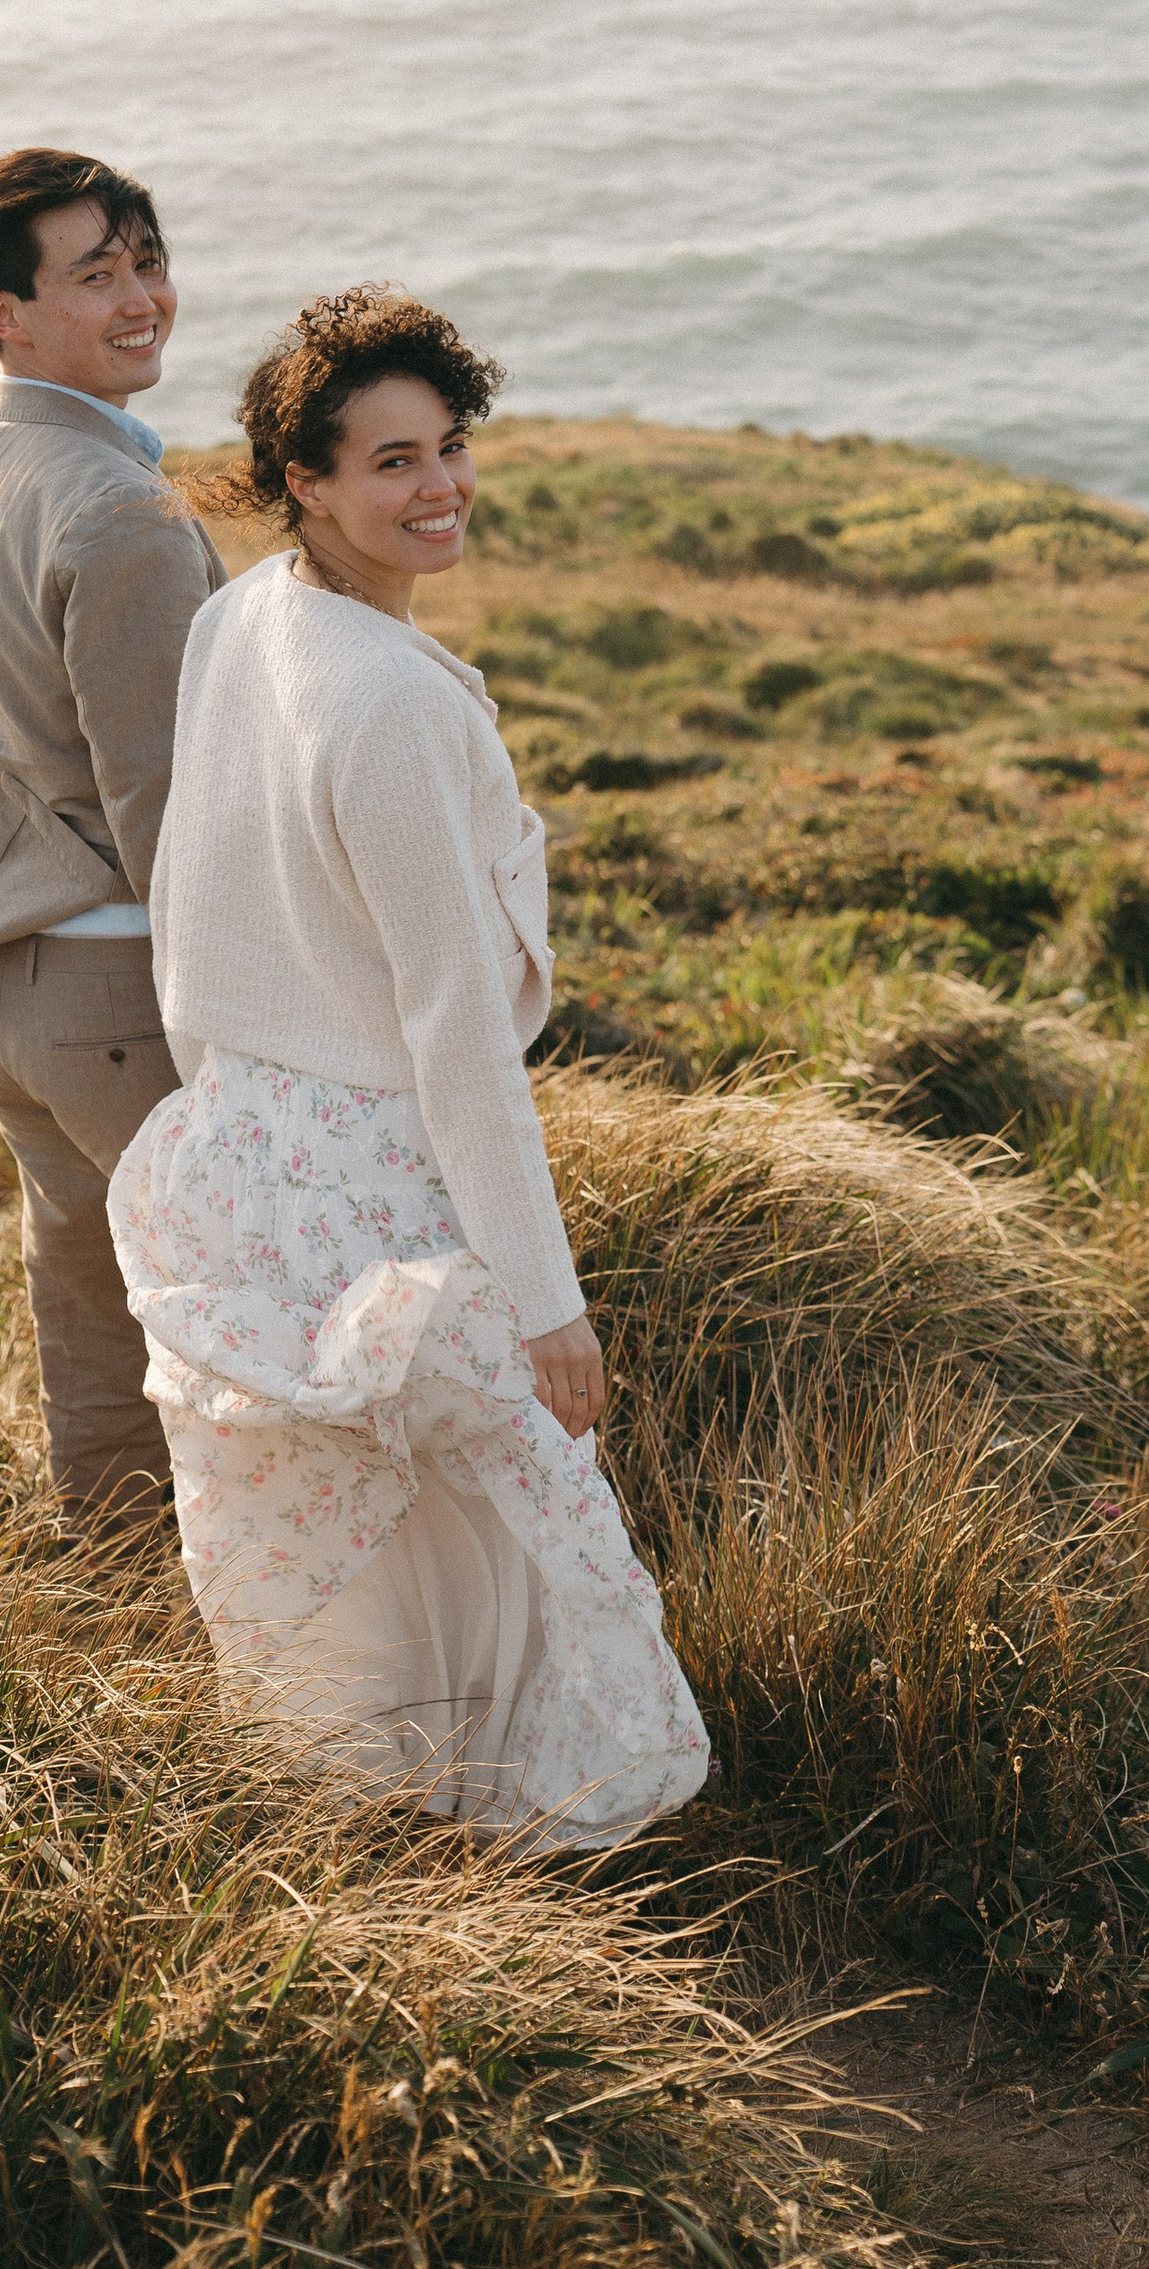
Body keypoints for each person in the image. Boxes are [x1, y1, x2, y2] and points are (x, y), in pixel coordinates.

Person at [108, 286, 709, 1845]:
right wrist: (551, 1304)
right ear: (303, 480)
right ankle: (521, 1836)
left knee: (343, 1531)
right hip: (377, 1163)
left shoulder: (246, 614)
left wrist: (227, 1105)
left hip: (246, 1139)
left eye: (447, 448)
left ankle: (360, 1831)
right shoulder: (384, 705)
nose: (437, 487)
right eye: (389, 461)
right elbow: (458, 1039)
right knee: (505, 1506)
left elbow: (196, 896)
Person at [0, 149, 225, 1532]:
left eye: (146, 260)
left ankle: (119, 1633)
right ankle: (282, 1672)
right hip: (126, 994)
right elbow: (169, 815)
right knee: (234, 1337)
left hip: (10, 1003)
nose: (142, 298)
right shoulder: (122, 511)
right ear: (3, 315)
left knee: (93, 1348)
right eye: (96, 274)